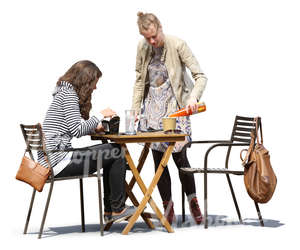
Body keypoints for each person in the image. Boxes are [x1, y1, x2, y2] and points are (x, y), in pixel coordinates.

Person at [132, 12, 207, 225]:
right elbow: (139, 80)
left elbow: (200, 76)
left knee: (180, 158)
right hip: (153, 110)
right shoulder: (142, 47)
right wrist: (136, 108)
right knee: (159, 162)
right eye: (147, 38)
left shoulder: (178, 44)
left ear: (160, 27)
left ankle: (192, 201)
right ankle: (167, 206)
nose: (152, 41)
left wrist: (193, 97)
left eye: (154, 36)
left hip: (175, 108)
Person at [38, 60, 136, 223]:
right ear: (86, 80)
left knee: (110, 151)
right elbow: (77, 130)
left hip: (53, 159)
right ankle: (116, 209)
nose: (95, 87)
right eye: (94, 83)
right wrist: (100, 115)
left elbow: (71, 127)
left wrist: (92, 128)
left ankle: (111, 210)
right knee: (116, 152)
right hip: (58, 162)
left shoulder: (63, 92)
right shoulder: (68, 95)